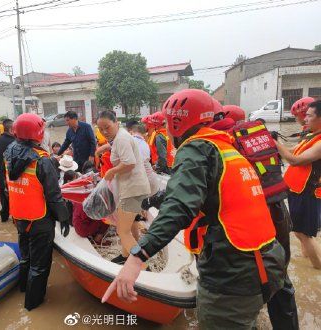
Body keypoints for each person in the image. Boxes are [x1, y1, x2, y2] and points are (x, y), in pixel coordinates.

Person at [102, 89, 285, 329]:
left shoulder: (197, 148)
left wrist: (137, 258)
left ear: (178, 123)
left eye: (168, 123)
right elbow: (209, 194)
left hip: (234, 273)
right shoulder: (225, 147)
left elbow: (179, 208)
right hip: (268, 261)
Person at [212, 104, 299, 330]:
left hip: (255, 219)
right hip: (280, 211)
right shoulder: (263, 136)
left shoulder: (226, 142)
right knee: (282, 276)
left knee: (252, 278)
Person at [4, 113, 69, 311]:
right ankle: (32, 306)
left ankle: (23, 290)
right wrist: (64, 217)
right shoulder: (42, 161)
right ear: (39, 133)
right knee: (40, 265)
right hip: (40, 220)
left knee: (26, 257)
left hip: (20, 217)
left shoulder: (9, 153)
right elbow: (54, 195)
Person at [97, 110, 151, 265]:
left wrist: (112, 171)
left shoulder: (121, 139)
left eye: (107, 127)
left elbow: (129, 163)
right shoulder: (119, 137)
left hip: (132, 189)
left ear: (116, 123)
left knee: (122, 231)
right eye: (101, 130)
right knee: (130, 225)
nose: (104, 132)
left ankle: (141, 265)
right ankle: (125, 255)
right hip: (132, 187)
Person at [276, 99, 321, 270]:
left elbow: (294, 160)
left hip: (307, 193)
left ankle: (317, 268)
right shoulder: (312, 135)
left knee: (304, 234)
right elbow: (293, 152)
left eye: (309, 116)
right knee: (301, 232)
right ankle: (307, 259)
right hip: (298, 190)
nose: (305, 119)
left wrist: (275, 144)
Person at [0, 119, 15, 222]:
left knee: (4, 197)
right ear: (11, 129)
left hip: (1, 174)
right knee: (14, 197)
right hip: (12, 175)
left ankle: (4, 219)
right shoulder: (15, 141)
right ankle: (15, 219)